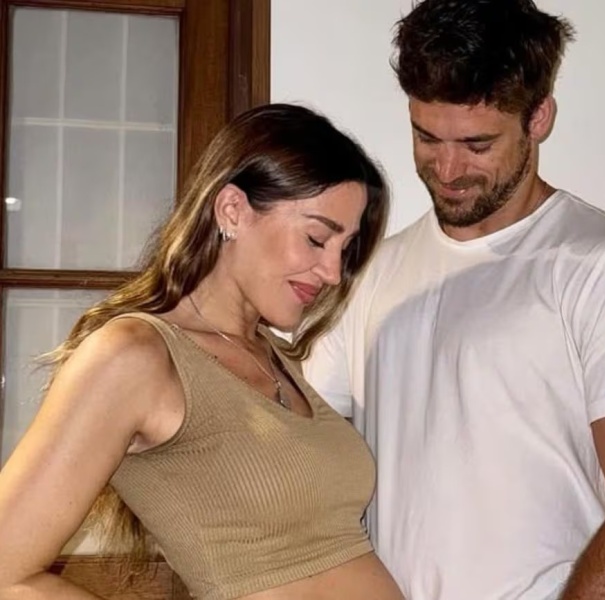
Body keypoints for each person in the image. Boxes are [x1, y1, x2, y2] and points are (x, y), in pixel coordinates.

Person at [303, 1, 605, 599]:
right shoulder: (367, 275)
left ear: (539, 117)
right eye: (426, 137)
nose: (447, 168)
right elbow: (310, 481)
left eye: (477, 143)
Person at [0, 103, 405, 600]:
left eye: (345, 249)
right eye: (316, 238)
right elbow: (6, 573)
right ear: (232, 210)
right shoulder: (134, 355)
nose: (333, 273)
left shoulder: (276, 357)